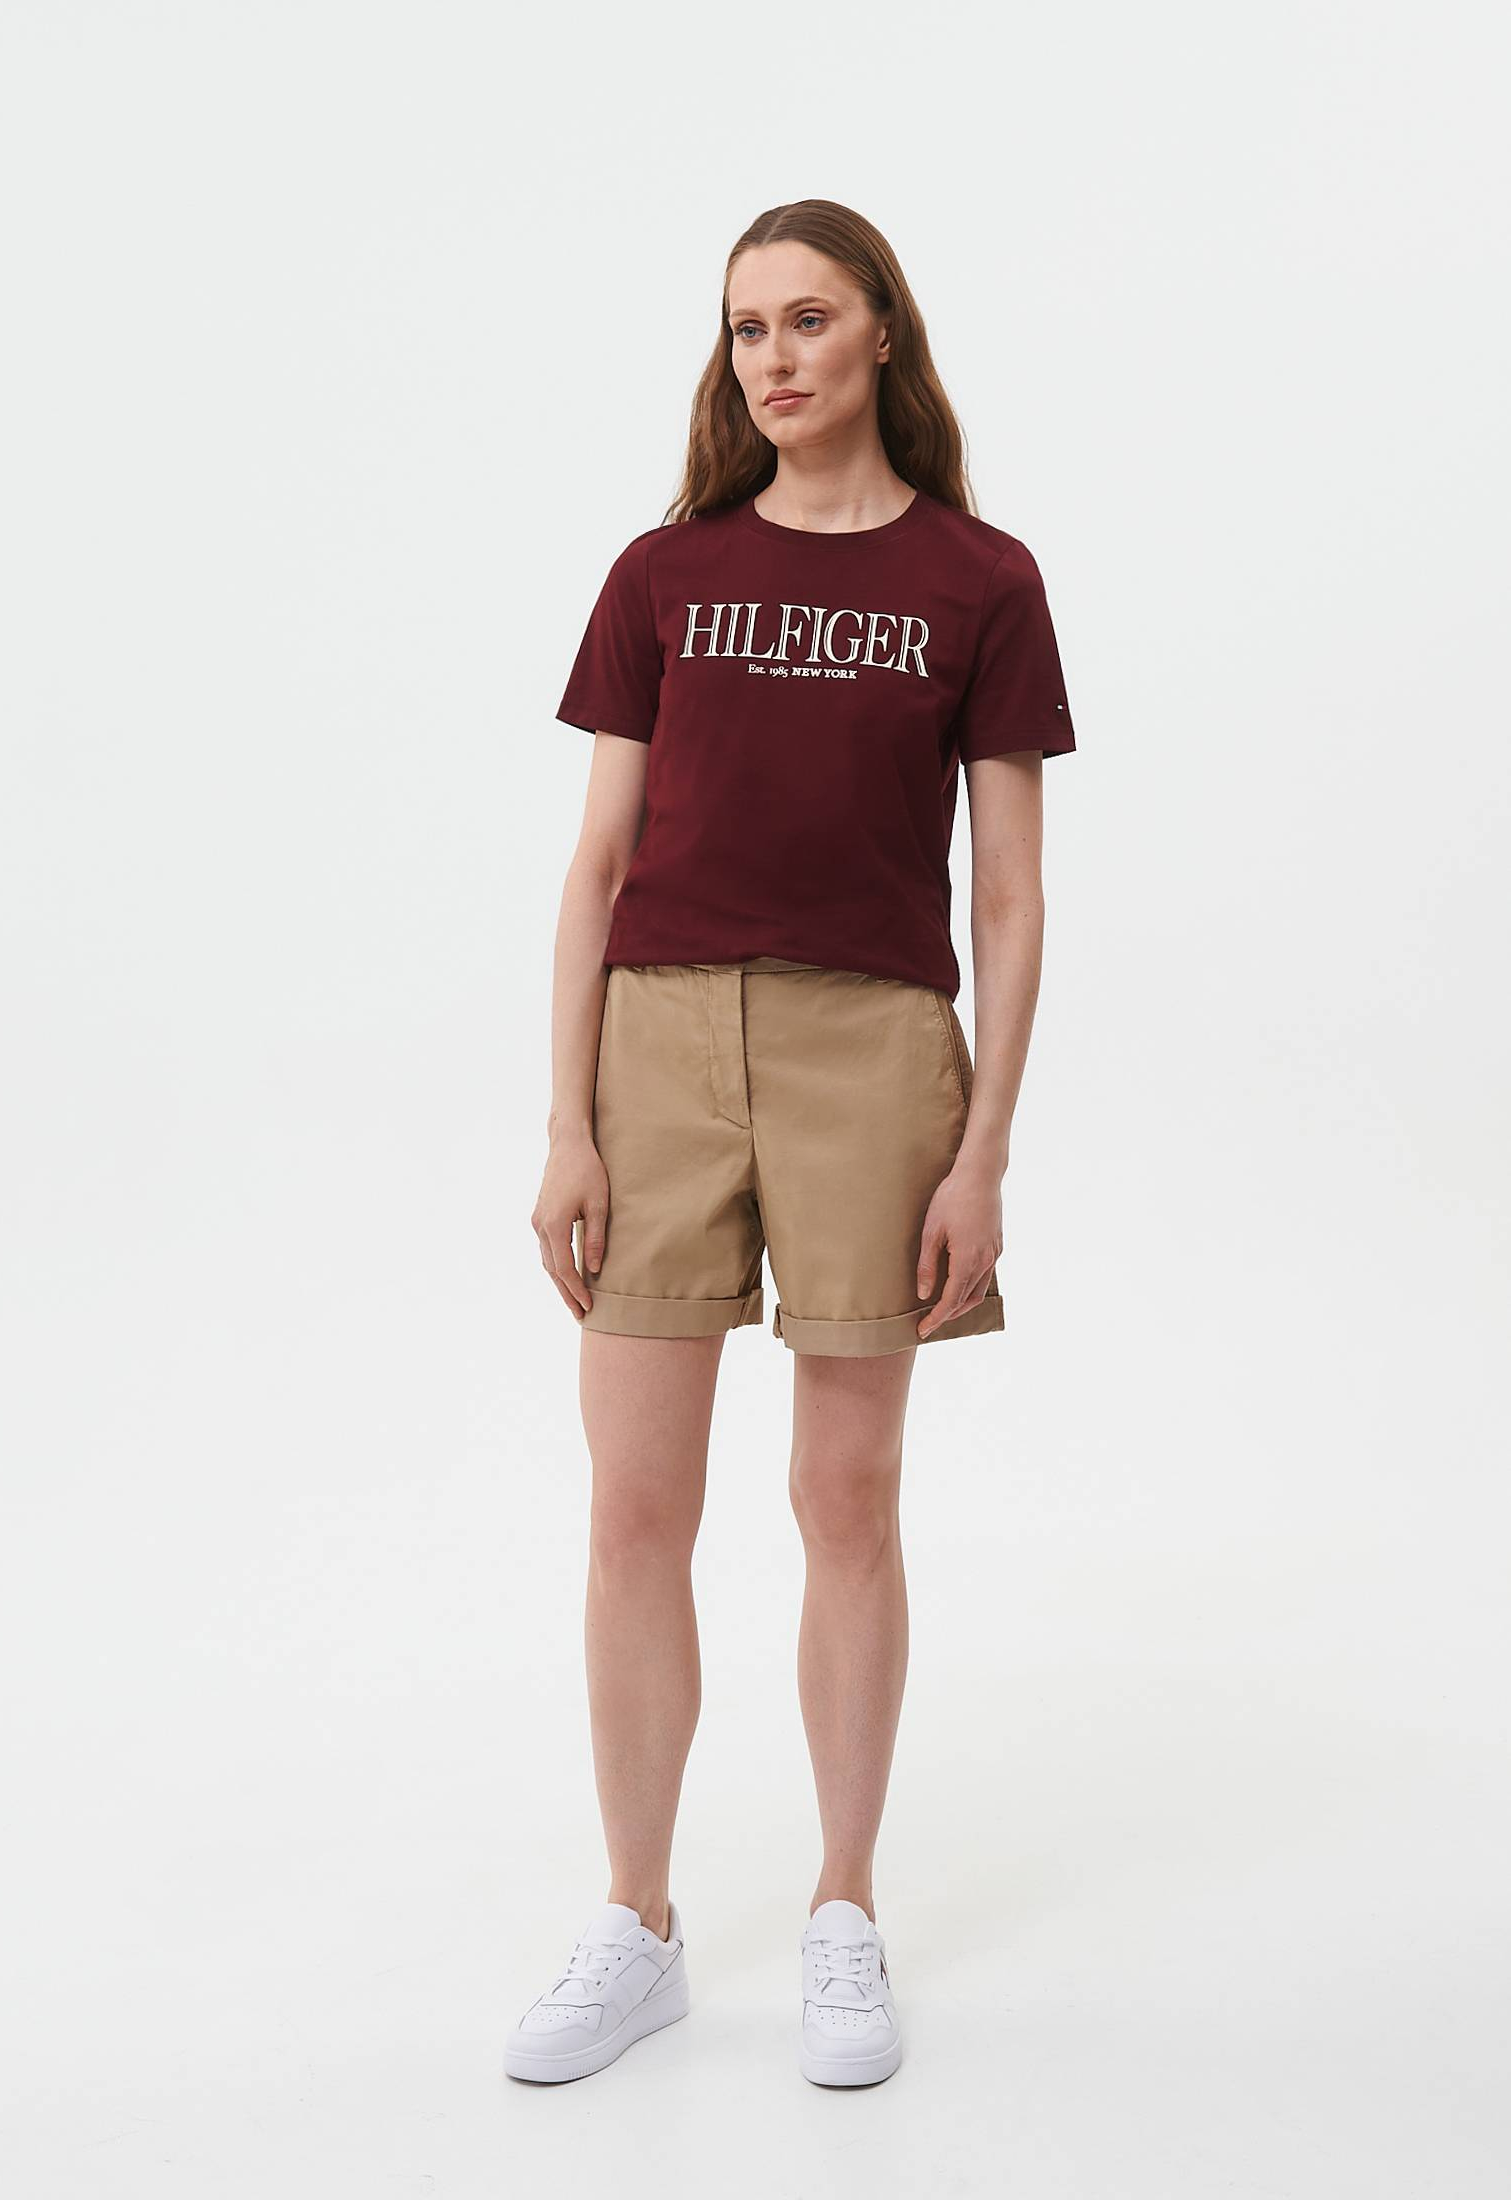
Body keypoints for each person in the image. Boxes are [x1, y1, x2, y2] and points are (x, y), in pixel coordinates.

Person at [505, 198, 1077, 2089]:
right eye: (748, 327)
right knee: (633, 1506)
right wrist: (569, 1122)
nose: (775, 357)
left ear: (882, 333)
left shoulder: (982, 581)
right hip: (659, 1046)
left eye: (811, 320)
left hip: (873, 1054)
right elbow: (597, 863)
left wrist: (985, 1150)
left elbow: (1010, 897)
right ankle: (637, 1922)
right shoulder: (665, 573)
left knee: (846, 1497)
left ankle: (842, 1907)